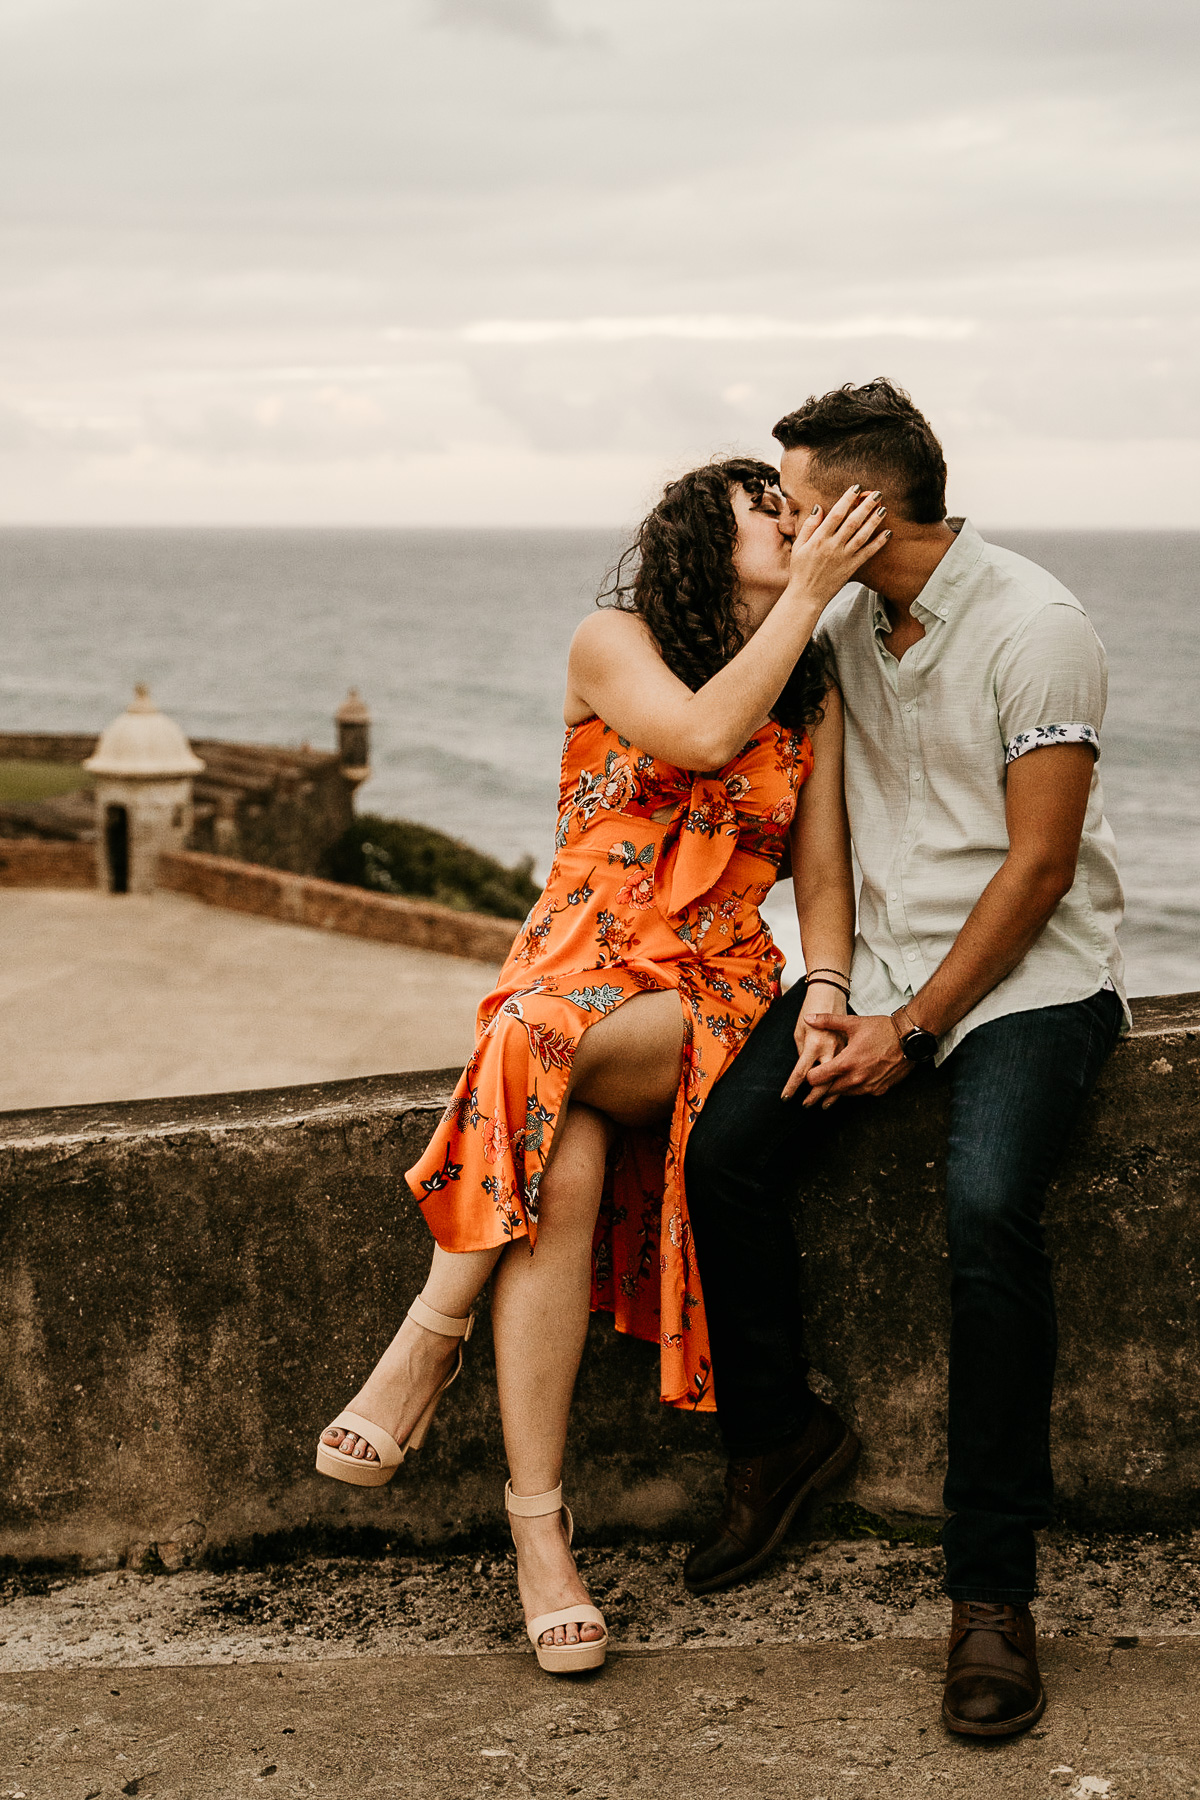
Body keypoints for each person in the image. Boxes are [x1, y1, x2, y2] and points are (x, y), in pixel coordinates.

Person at [315, 458, 888, 1674]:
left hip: (706, 992)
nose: (795, 526)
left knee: (532, 1044)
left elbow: (823, 870)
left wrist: (827, 985)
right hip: (571, 965)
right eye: (767, 510)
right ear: (695, 533)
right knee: (558, 1175)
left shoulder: (813, 688)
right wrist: (812, 596)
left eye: (799, 515)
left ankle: (428, 1334)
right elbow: (697, 730)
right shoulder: (610, 640)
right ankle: (542, 1537)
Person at [682, 380, 1127, 1739]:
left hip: (1024, 985)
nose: (785, 523)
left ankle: (991, 1594)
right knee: (725, 1155)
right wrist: (835, 991)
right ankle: (779, 1438)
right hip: (870, 970)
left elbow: (1042, 867)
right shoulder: (841, 622)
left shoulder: (1039, 627)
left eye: (801, 502)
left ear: (867, 508)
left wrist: (914, 1031)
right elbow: (774, 782)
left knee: (987, 1213)